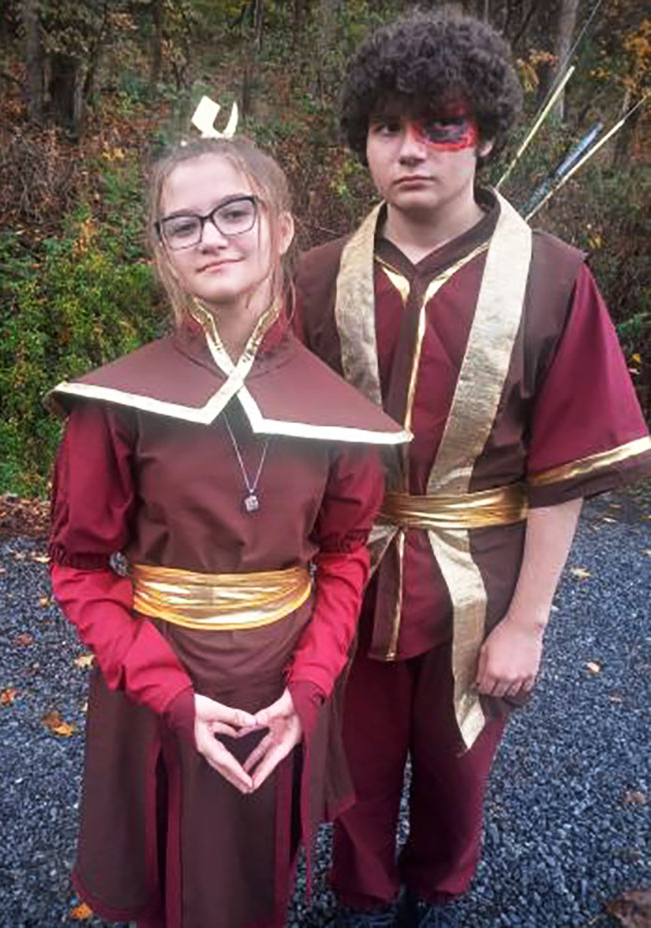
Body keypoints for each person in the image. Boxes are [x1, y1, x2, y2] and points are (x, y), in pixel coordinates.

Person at [293, 9, 651, 928]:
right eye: (388, 127)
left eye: (440, 124)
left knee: (457, 779)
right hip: (350, 577)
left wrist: (528, 624)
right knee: (355, 774)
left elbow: (564, 471)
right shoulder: (315, 277)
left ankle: (438, 900)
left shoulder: (555, 279)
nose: (412, 149)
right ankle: (362, 903)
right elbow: (277, 451)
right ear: (362, 141)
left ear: (482, 133)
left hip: (480, 583)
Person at [47, 134, 410, 928]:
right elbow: (77, 567)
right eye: (183, 224)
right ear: (164, 252)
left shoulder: (338, 413)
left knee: (251, 871)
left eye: (234, 211)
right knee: (169, 863)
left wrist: (312, 684)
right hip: (156, 676)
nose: (210, 236)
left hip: (280, 681)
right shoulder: (116, 405)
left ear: (281, 227)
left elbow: (348, 553)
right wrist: (166, 690)